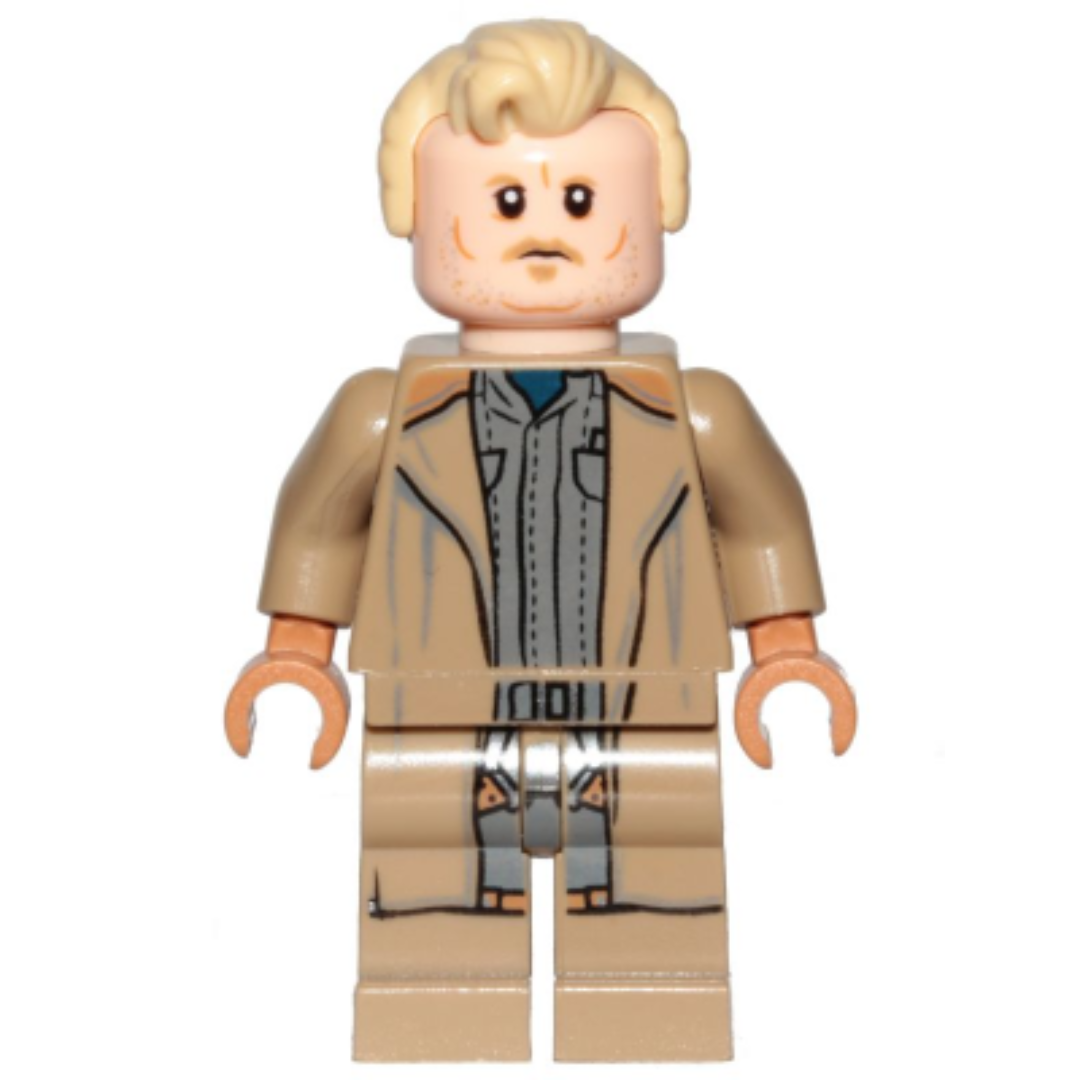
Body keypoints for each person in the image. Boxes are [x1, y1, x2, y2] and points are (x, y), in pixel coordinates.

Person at [225, 18, 856, 1062]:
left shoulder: (696, 409)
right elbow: (321, 524)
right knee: (432, 919)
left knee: (655, 915)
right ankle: (442, 1031)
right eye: (505, 202)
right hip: (440, 706)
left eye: (584, 200)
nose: (544, 232)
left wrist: (785, 649)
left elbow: (760, 520)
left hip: (642, 706)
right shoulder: (383, 411)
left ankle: (645, 1028)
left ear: (658, 210)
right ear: (415, 215)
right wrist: (297, 652)